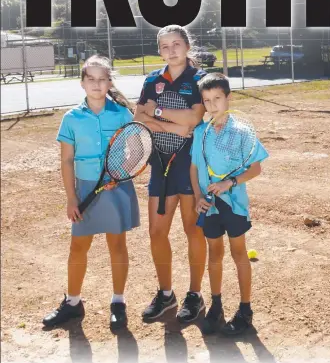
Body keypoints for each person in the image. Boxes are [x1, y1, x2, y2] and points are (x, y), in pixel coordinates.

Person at [43, 55, 138, 331]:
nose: (97, 84)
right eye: (91, 79)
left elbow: (136, 148)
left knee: (117, 246)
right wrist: (72, 197)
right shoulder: (71, 118)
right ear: (82, 82)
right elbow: (67, 161)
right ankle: (73, 302)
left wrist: (122, 172)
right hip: (85, 189)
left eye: (102, 78)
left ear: (110, 82)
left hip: (116, 187)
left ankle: (118, 302)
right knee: (78, 246)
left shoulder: (121, 113)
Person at [134, 25, 207, 324]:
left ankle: (195, 295)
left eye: (177, 43)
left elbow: (194, 118)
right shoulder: (152, 80)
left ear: (187, 46)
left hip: (190, 167)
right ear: (159, 50)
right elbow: (139, 117)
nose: (171, 50)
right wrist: (174, 127)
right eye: (165, 46)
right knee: (156, 232)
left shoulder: (200, 79)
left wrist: (159, 114)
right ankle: (166, 294)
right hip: (159, 165)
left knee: (193, 231)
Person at [189, 73, 268, 336]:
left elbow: (255, 169)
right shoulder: (200, 132)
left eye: (217, 99)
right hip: (209, 207)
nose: (212, 105)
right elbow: (193, 168)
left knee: (238, 254)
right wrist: (198, 196)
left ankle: (245, 310)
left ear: (228, 99)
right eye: (207, 100)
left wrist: (230, 183)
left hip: (234, 206)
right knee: (215, 254)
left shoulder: (242, 132)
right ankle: (216, 306)